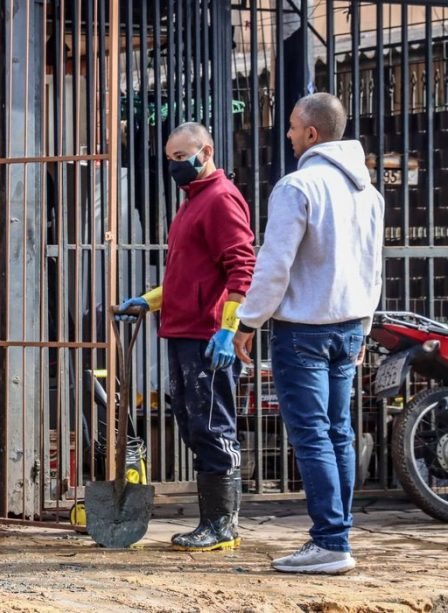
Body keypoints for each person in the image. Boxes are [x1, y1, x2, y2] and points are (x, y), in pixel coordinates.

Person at [233, 93, 384, 575]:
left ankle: (329, 541)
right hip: (348, 327)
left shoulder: (297, 186)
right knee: (337, 433)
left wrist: (248, 320)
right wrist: (363, 325)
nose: (290, 134)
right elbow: (372, 267)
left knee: (313, 435)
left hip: (303, 332)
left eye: (294, 127)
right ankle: (337, 536)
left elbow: (274, 265)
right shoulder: (369, 192)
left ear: (312, 133)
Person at [115, 122, 256, 552]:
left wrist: (229, 330)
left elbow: (242, 269)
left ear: (206, 151)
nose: (174, 166)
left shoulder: (220, 200)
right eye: (170, 159)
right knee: (195, 425)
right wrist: (150, 300)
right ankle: (212, 522)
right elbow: (190, 275)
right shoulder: (192, 202)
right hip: (182, 331)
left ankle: (221, 526)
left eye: (181, 157)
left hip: (206, 336)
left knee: (213, 427)